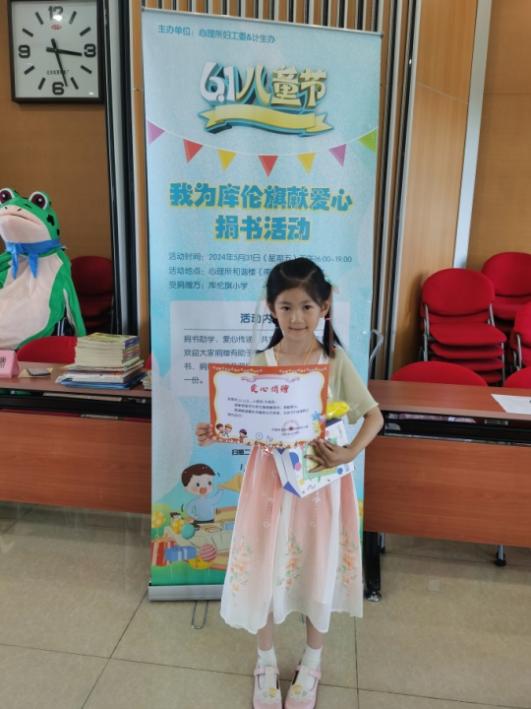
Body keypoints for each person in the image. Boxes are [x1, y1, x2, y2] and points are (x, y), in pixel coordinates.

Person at [196, 257, 383, 709]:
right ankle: (265, 661)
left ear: (325, 307)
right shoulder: (261, 362)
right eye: (285, 307)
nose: (296, 318)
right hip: (268, 487)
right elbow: (245, 422)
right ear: (270, 308)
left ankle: (312, 663)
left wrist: (350, 452)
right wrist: (217, 430)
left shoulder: (333, 362)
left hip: (320, 488)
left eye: (306, 307)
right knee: (264, 565)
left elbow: (373, 417)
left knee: (315, 567)